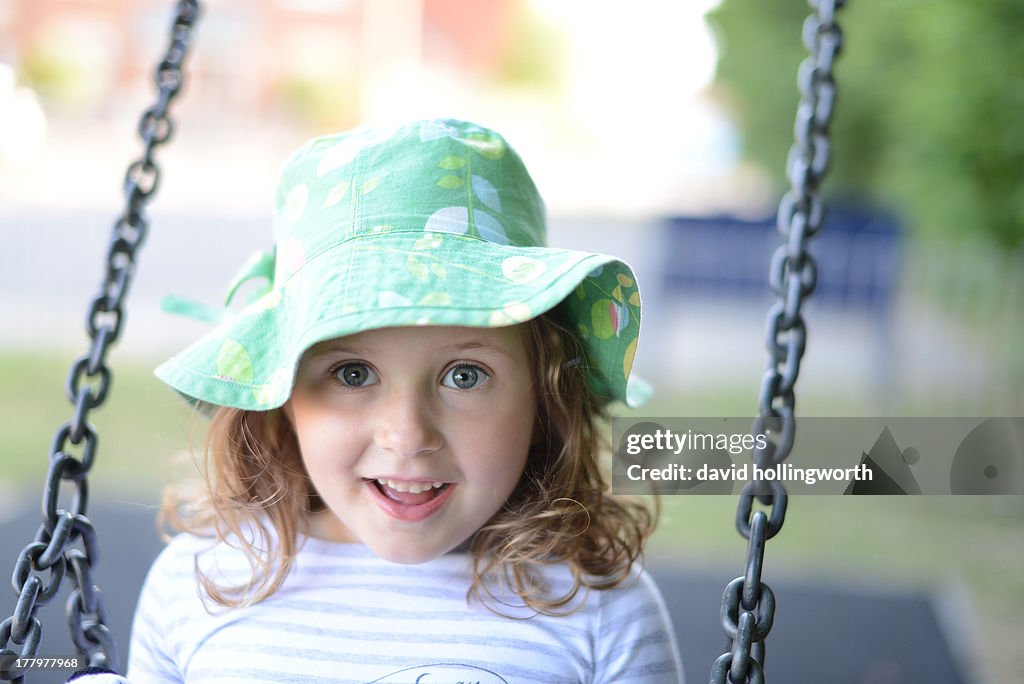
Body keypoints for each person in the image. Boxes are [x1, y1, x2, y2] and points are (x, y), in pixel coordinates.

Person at [73, 119, 683, 683]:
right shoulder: (201, 583)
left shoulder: (600, 611)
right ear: (282, 395)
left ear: (544, 396)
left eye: (465, 375)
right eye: (354, 373)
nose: (407, 434)